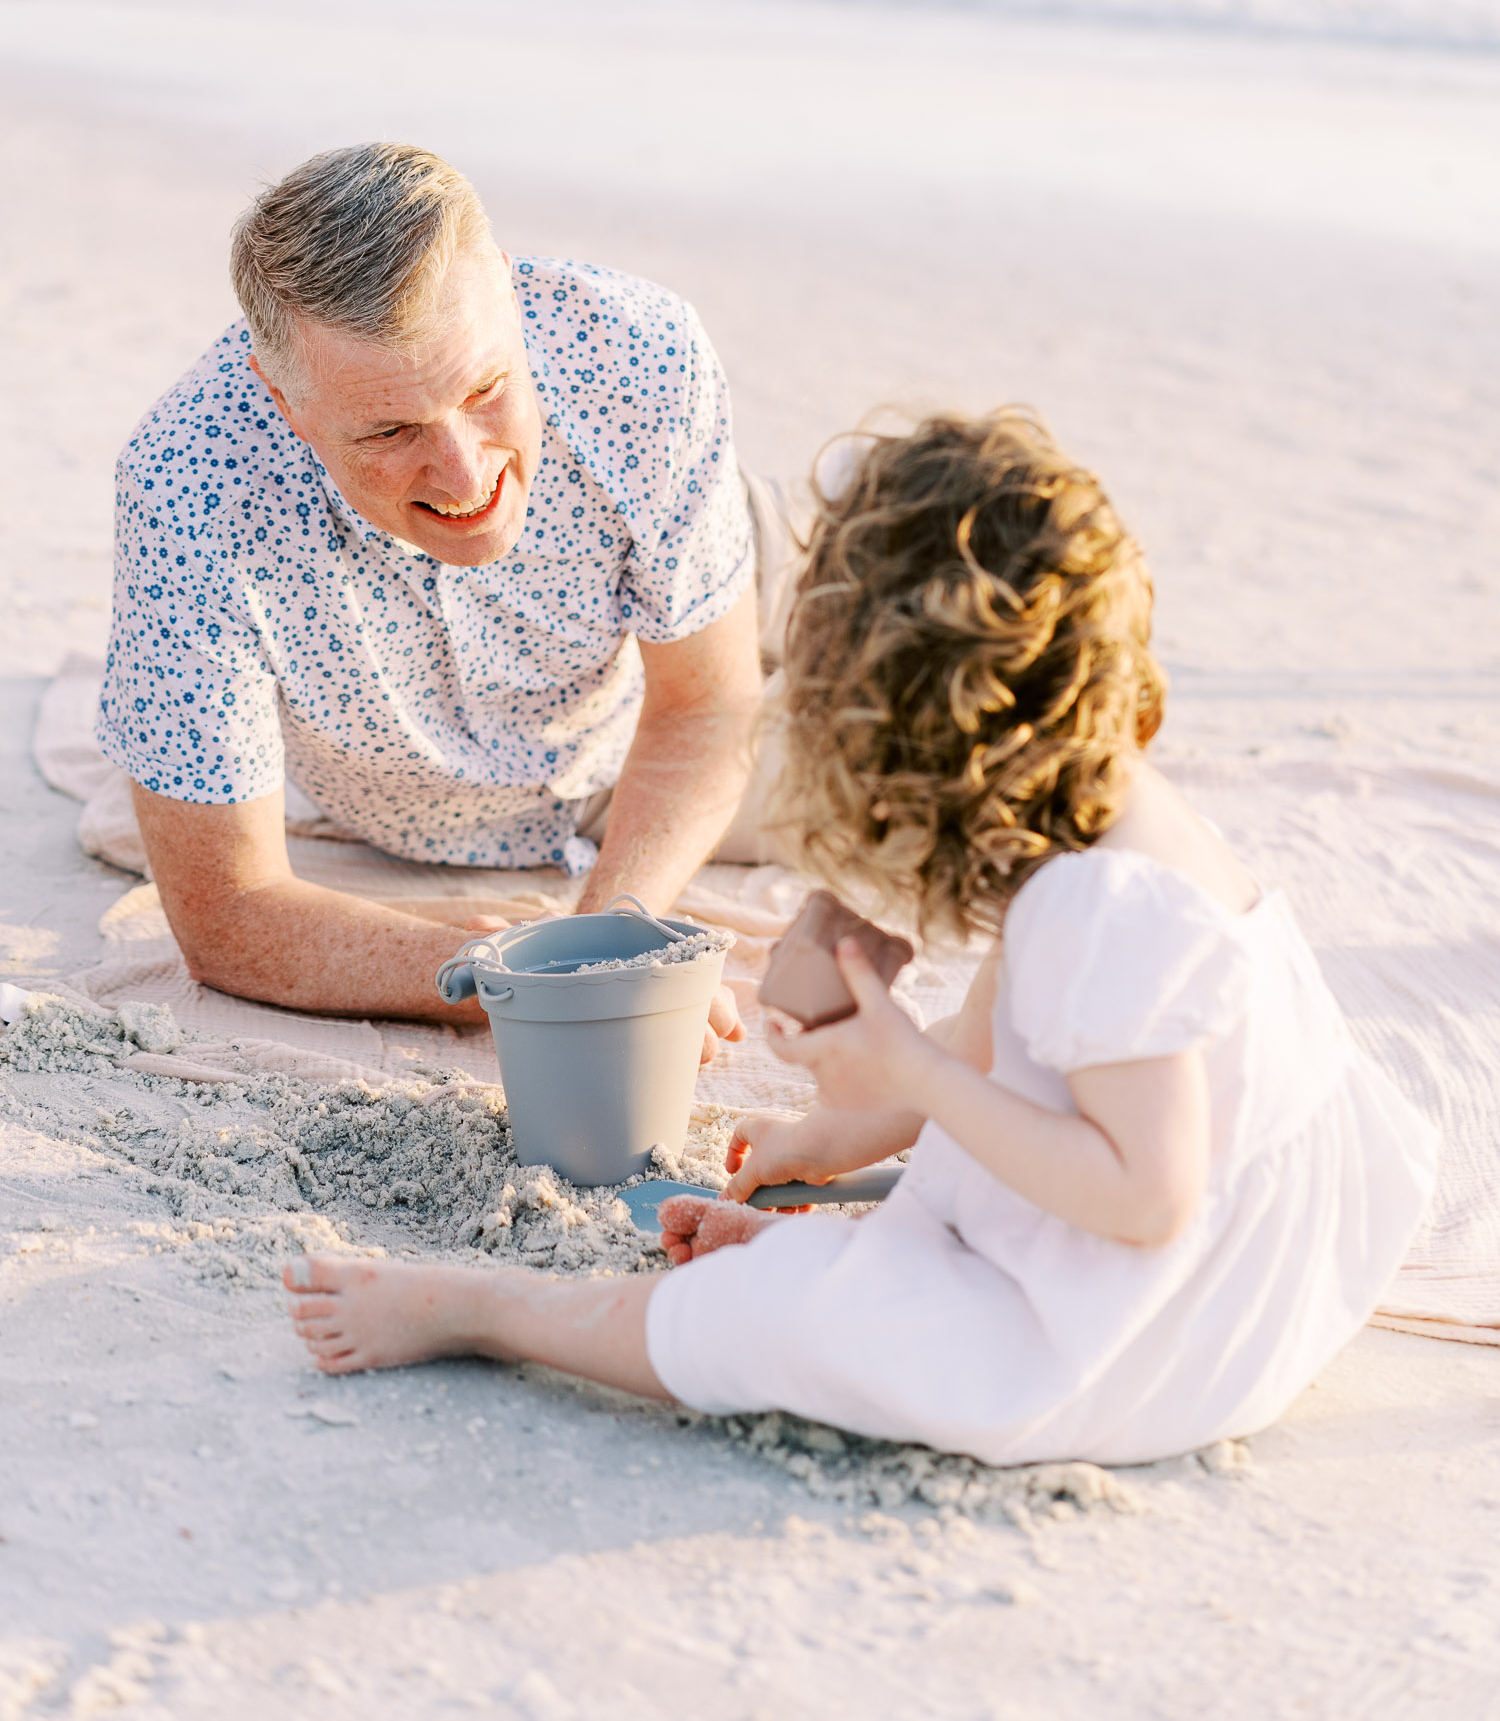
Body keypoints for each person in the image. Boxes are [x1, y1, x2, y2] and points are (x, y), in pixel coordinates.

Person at [281, 411, 1438, 1466]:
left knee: (771, 1320)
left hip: (1157, 1333)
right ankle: (839, 1241)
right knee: (871, 1226)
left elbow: (1147, 1199)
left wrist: (912, 1073)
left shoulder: (1109, 904)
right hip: (1257, 1255)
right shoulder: (1106, 812)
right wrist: (834, 1136)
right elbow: (1001, 1033)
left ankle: (480, 1312)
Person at [97, 143, 766, 1051]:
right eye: (390, 428)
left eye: (485, 389)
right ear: (282, 401)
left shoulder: (639, 354)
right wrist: (530, 985)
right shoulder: (188, 489)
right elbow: (227, 912)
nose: (464, 474)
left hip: (674, 660)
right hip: (402, 807)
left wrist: (621, 937)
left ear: (507, 293)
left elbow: (710, 705)